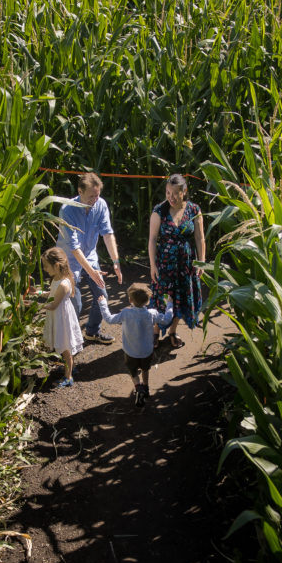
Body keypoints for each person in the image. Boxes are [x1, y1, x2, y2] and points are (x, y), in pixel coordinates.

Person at [57, 172, 124, 342]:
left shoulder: (101, 205)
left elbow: (108, 234)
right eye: (90, 196)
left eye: (97, 195)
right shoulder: (67, 210)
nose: (94, 200)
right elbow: (74, 248)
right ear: (80, 191)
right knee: (75, 304)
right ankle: (67, 342)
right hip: (69, 261)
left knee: (102, 296)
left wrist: (116, 261)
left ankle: (92, 331)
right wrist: (92, 273)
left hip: (90, 257)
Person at [148, 173, 205, 349]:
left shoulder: (194, 210)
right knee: (163, 298)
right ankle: (155, 331)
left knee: (182, 298)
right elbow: (152, 239)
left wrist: (201, 261)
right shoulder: (159, 211)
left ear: (184, 191)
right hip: (165, 264)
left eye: (174, 193)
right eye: (167, 193)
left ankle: (172, 331)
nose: (170, 197)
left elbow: (199, 238)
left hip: (186, 264)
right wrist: (152, 265)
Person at [96, 284, 174, 407]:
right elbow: (167, 319)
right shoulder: (152, 313)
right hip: (146, 351)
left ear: (130, 300)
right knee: (145, 369)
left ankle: (138, 388)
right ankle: (146, 388)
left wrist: (103, 304)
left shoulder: (126, 313)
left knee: (133, 371)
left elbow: (109, 319)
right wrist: (170, 304)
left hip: (130, 351)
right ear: (148, 301)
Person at [40, 247, 82, 388]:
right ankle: (69, 367)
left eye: (46, 266)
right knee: (65, 345)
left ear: (56, 265)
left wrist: (34, 306)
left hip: (61, 316)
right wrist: (38, 293)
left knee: (65, 347)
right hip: (59, 315)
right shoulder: (57, 279)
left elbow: (53, 305)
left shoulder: (64, 284)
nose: (45, 269)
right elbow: (51, 293)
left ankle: (68, 377)